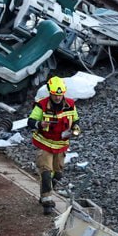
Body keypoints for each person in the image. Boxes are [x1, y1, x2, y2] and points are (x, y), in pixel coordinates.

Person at [28, 76, 80, 214]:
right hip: (45, 144)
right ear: (50, 92)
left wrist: (75, 129)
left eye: (60, 95)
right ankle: (47, 201)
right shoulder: (42, 105)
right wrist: (40, 124)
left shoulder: (70, 104)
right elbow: (31, 121)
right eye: (55, 95)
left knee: (58, 174)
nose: (57, 98)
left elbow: (76, 120)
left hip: (61, 145)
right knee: (46, 172)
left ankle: (47, 191)